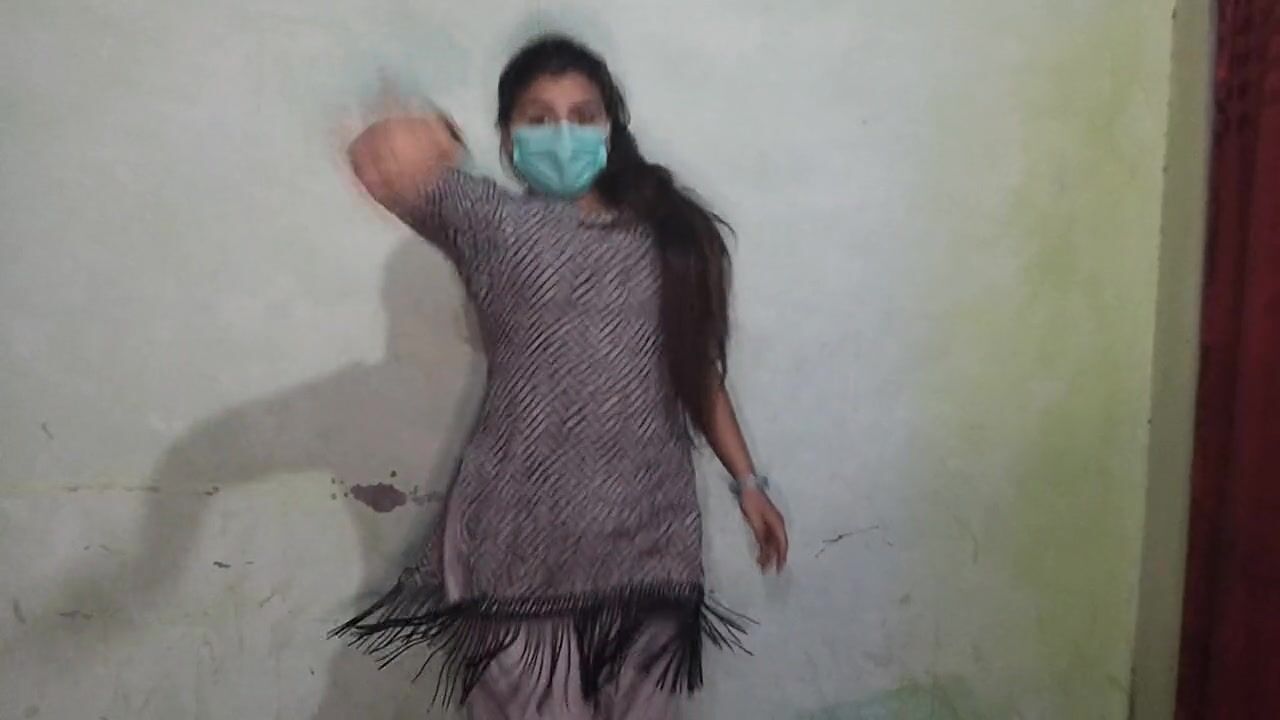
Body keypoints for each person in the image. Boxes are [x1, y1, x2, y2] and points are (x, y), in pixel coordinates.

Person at [331, 34, 789, 720]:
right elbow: (381, 159)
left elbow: (697, 372)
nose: (564, 135)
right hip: (518, 548)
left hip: (650, 545)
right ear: (508, 137)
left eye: (583, 115)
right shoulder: (492, 223)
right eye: (539, 118)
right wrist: (438, 136)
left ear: (611, 127)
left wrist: (748, 484)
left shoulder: (666, 238)